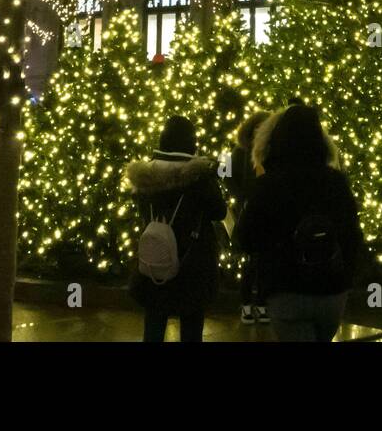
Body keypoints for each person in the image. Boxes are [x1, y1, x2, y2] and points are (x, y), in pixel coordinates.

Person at [235, 103, 363, 342]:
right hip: (331, 290)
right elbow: (352, 235)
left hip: (286, 290)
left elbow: (246, 238)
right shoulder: (335, 182)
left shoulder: (268, 184)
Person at [126, 115, 227, 342]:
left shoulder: (145, 176)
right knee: (191, 326)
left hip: (155, 258)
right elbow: (219, 211)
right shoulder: (200, 177)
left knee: (153, 322)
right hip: (193, 264)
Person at [227, 110, 270, 324]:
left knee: (264, 259)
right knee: (251, 260)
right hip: (248, 208)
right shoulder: (240, 152)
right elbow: (228, 178)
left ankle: (261, 303)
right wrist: (241, 196)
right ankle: (247, 304)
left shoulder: (270, 151)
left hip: (267, 209)